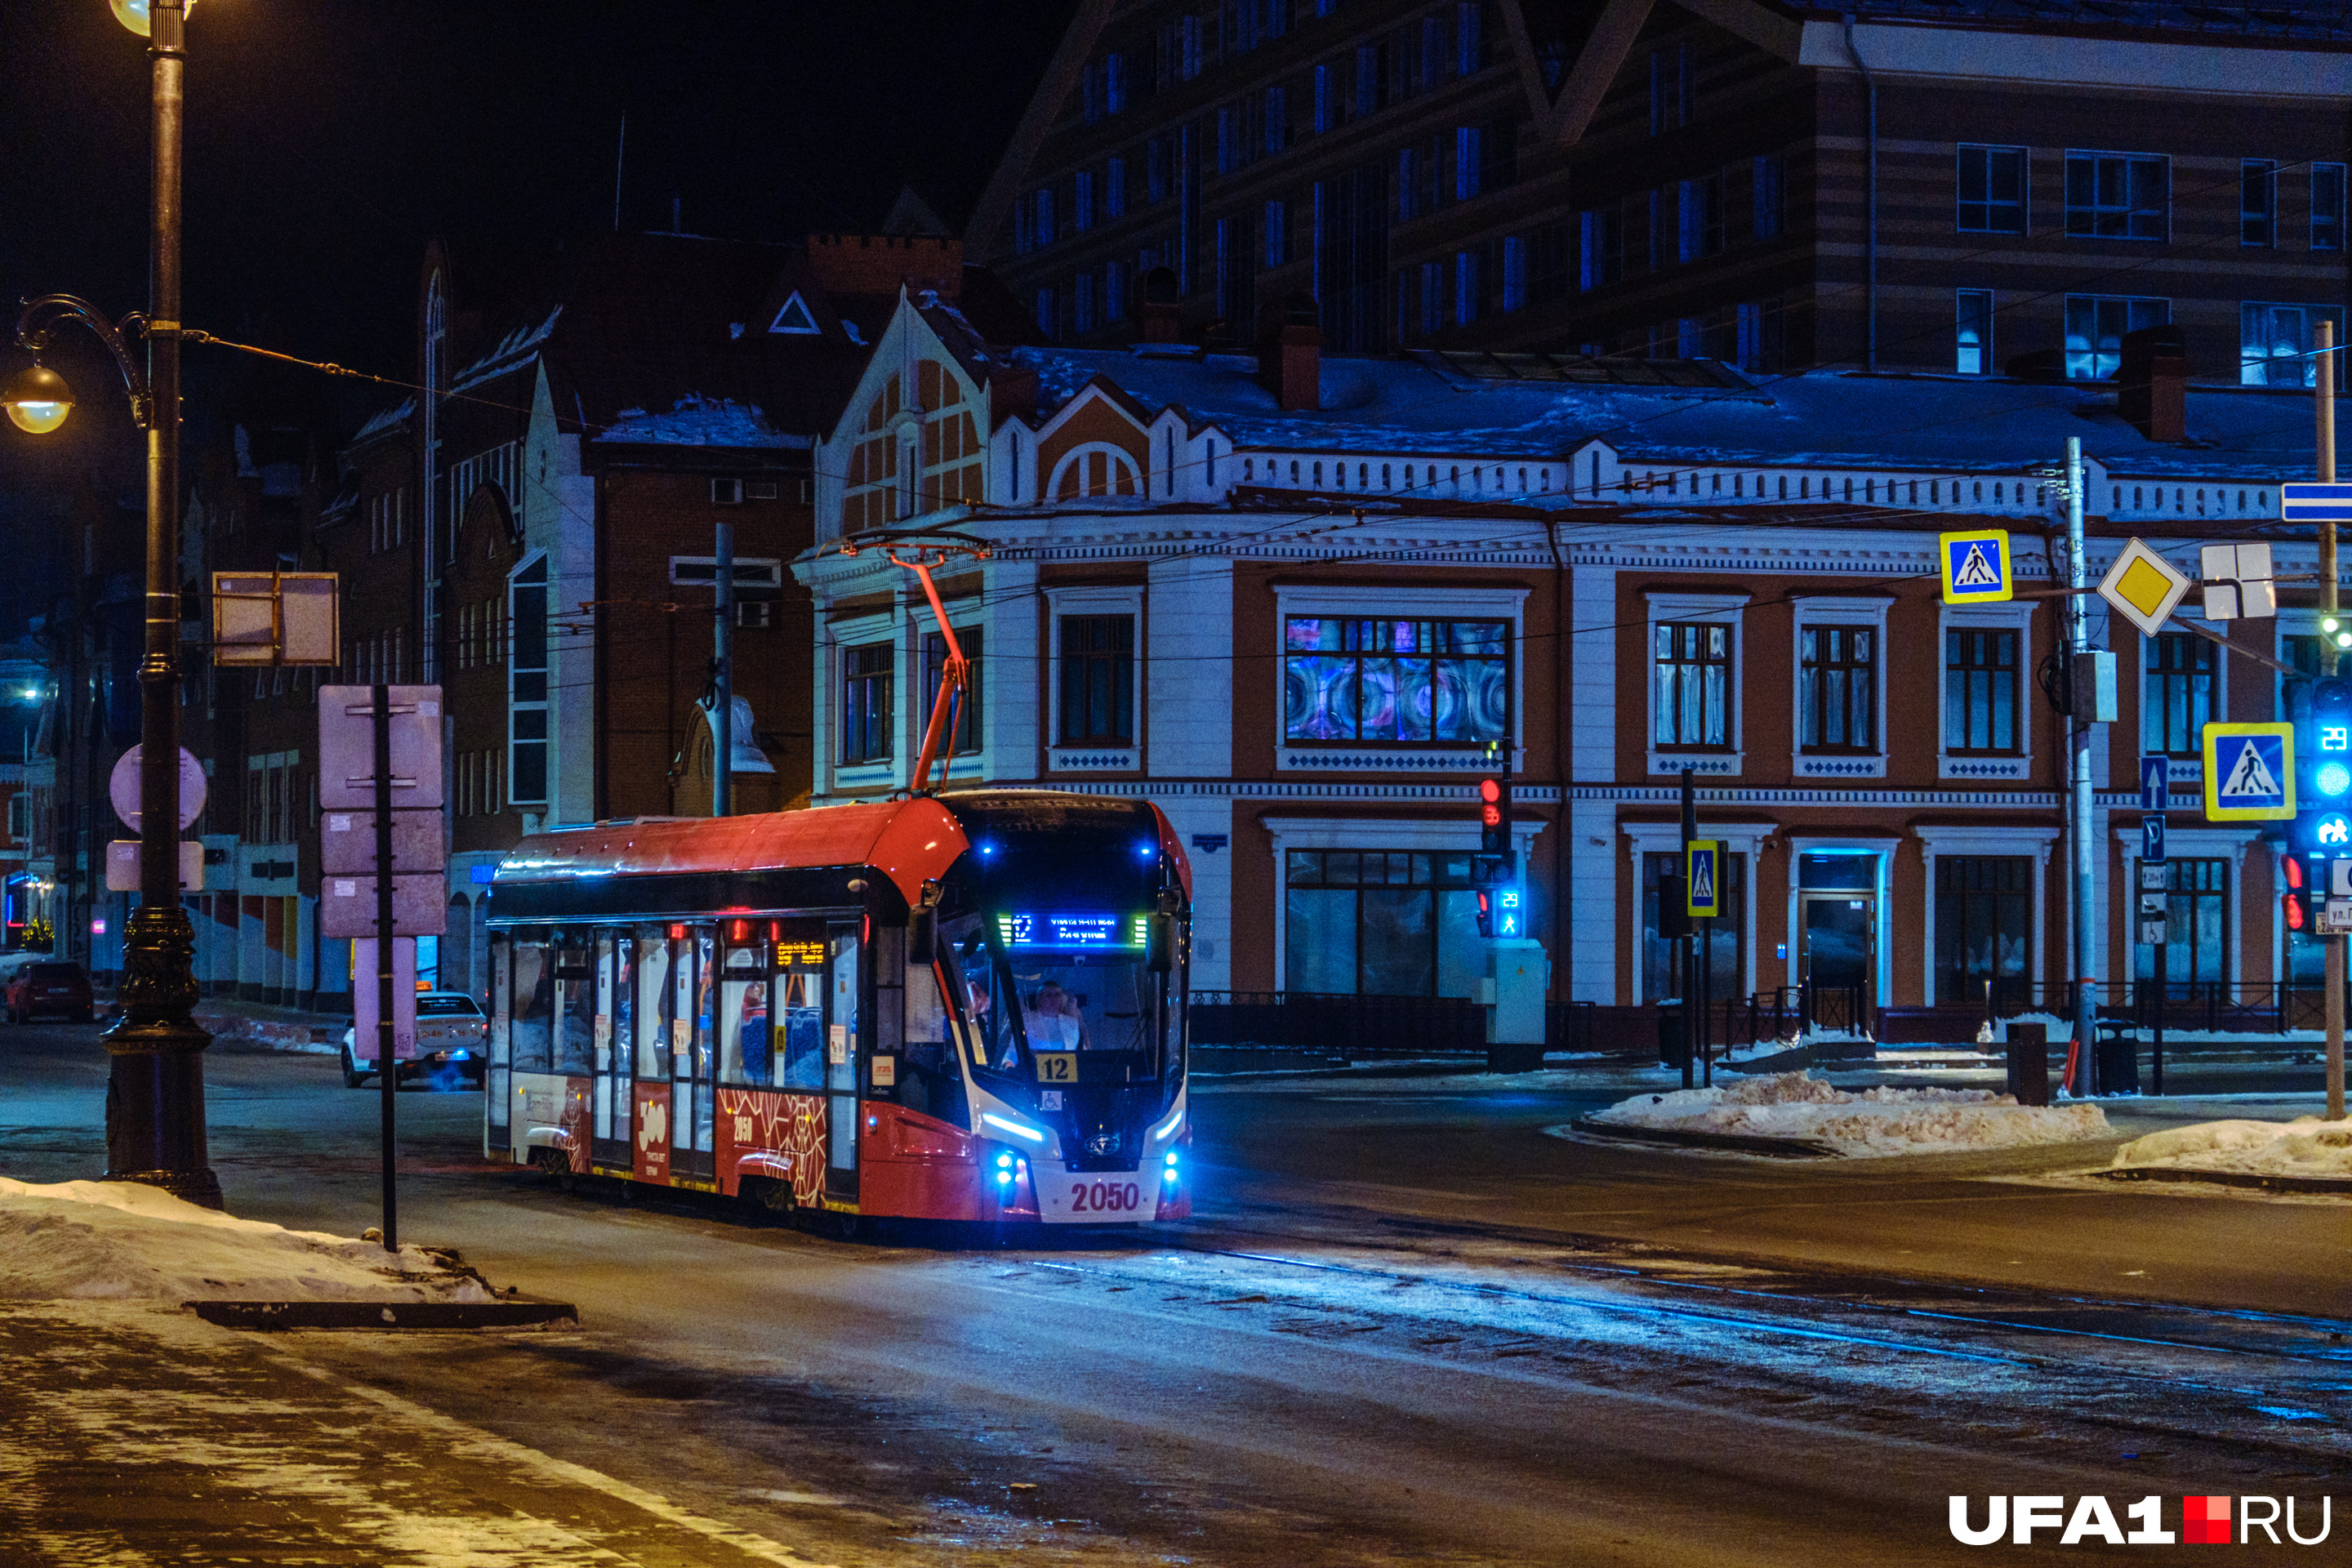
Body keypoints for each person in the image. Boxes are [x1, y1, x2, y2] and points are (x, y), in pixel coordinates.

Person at [1022, 982, 1087, 1049]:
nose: (1053, 999)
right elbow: (1013, 1050)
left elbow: (1081, 1051)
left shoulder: (1071, 1022)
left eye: (1057, 995)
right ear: (1040, 999)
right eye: (1049, 995)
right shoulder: (1027, 1020)